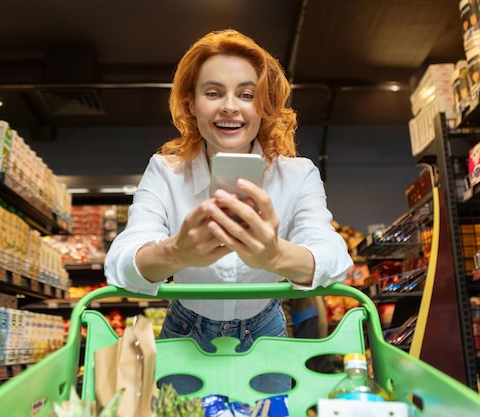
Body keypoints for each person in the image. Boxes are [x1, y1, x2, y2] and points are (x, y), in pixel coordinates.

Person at [104, 29, 353, 394]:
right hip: (183, 333)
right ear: (191, 104)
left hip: (266, 332)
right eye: (213, 92)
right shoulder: (165, 172)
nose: (230, 107)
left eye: (247, 94)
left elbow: (334, 259)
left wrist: (274, 255)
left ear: (265, 105)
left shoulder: (297, 175)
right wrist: (176, 253)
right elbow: (121, 264)